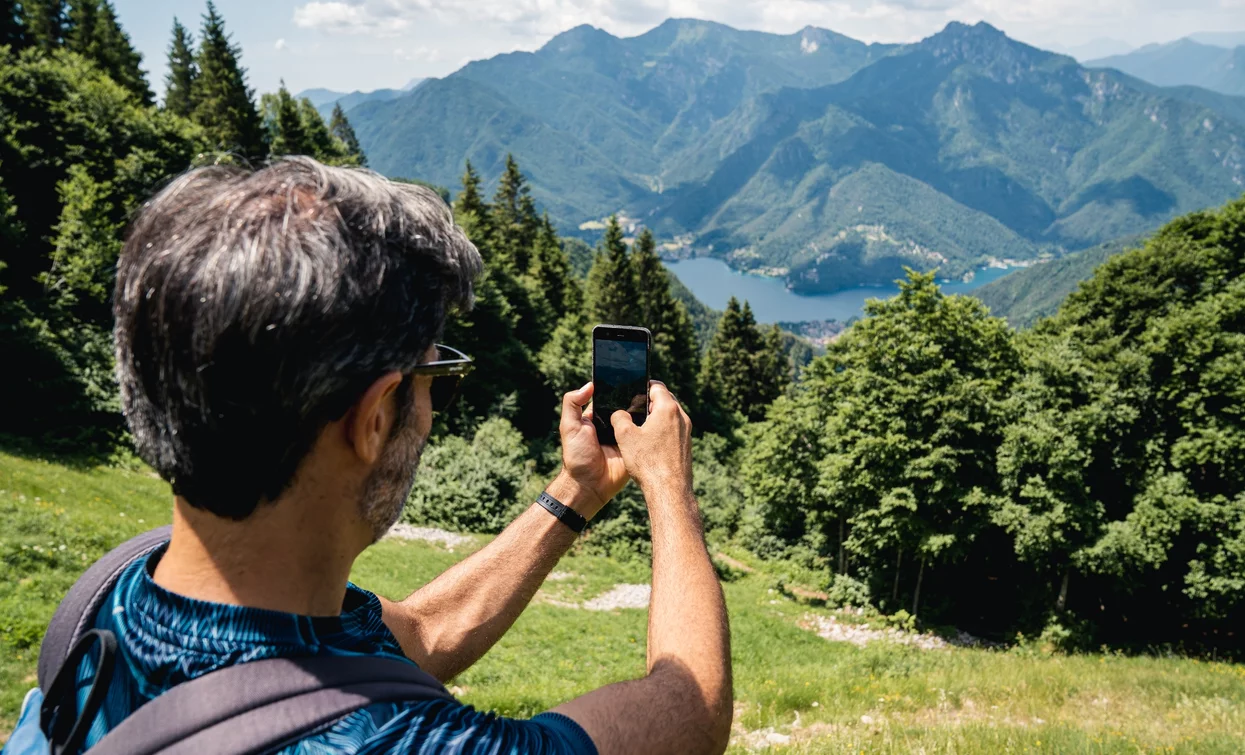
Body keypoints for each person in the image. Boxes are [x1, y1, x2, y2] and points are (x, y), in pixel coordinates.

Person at [83, 157, 731, 754]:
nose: (428, 412)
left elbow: (420, 634)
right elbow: (690, 711)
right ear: (372, 419)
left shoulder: (114, 598)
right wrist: (667, 484)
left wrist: (579, 489)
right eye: (435, 378)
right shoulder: (398, 741)